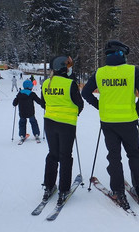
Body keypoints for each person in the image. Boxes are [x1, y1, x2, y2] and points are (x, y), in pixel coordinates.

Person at [82, 40, 139, 210]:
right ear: (121, 54)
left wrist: (99, 106)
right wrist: (137, 110)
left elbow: (85, 92)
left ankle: (118, 191)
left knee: (114, 157)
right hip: (128, 120)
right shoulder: (132, 71)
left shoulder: (100, 73)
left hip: (109, 122)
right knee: (134, 154)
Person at [41, 56, 84, 206]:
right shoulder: (70, 83)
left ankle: (48, 186)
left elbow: (43, 102)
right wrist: (74, 112)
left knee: (53, 154)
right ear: (64, 68)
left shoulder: (46, 82)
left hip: (50, 122)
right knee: (65, 156)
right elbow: (79, 104)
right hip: (66, 124)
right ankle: (63, 189)